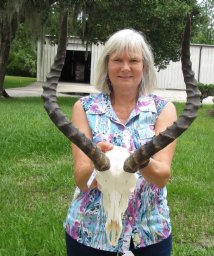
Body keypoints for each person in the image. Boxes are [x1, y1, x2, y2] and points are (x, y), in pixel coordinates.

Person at [63, 28, 177, 256]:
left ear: (144, 66)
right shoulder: (85, 108)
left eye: (134, 60)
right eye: (117, 60)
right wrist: (96, 159)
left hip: (149, 231)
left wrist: (135, 159)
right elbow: (81, 180)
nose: (126, 67)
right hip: (90, 232)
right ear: (107, 65)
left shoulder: (162, 110)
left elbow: (162, 177)